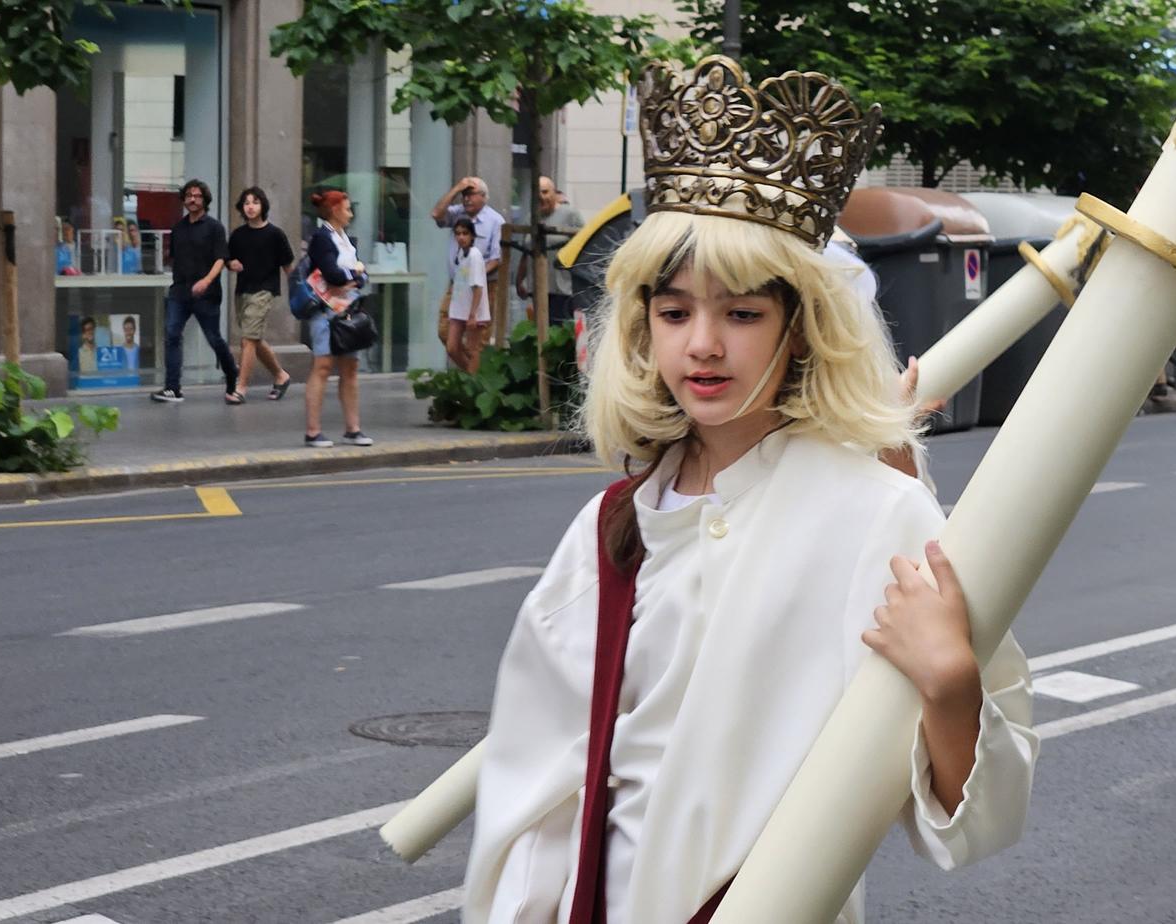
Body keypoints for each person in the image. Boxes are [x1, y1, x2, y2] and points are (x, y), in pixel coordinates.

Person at [462, 54, 1035, 924]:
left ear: (799, 330)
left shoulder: (875, 511)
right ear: (642, 326)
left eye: (740, 313)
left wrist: (951, 683)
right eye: (675, 311)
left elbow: (971, 821)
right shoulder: (612, 525)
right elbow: (538, 793)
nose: (702, 345)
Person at [153, 179, 241, 404]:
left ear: (205, 200)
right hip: (179, 292)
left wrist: (206, 281)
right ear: (184, 199)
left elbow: (221, 258)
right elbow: (175, 258)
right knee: (172, 335)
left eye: (197, 196)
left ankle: (232, 375)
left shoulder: (214, 227)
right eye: (189, 195)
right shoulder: (178, 228)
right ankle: (173, 388)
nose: (192, 199)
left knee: (214, 339)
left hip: (207, 294)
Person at [303, 190, 371, 448]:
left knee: (350, 368)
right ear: (333, 210)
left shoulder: (345, 239)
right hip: (326, 310)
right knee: (322, 367)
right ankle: (313, 430)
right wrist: (356, 274)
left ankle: (353, 428)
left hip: (347, 307)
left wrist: (355, 276)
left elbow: (361, 275)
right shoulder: (322, 238)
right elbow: (333, 274)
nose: (350, 213)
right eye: (346, 208)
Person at [226, 186, 296, 402]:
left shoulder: (275, 234)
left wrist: (296, 291)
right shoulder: (238, 235)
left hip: (265, 290)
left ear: (263, 205)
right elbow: (228, 258)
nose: (250, 206)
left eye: (255, 202)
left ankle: (241, 387)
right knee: (254, 339)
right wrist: (231, 263)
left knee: (248, 339)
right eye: (246, 203)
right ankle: (280, 375)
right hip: (243, 290)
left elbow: (288, 265)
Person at [515, 176, 589, 324]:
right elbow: (526, 252)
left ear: (554, 193)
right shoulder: (531, 218)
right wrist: (519, 280)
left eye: (545, 192)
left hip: (562, 289)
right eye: (537, 194)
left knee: (558, 330)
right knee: (538, 329)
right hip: (536, 288)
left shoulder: (570, 215)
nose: (541, 197)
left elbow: (585, 244)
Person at [431, 175, 504, 281]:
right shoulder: (457, 212)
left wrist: (474, 276)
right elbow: (436, 214)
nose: (466, 199)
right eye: (464, 194)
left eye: (471, 195)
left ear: (483, 196)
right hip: (456, 283)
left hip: (483, 284)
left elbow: (496, 259)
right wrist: (456, 189)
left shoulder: (495, 221)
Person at [444, 217, 491, 373]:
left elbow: (478, 286)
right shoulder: (461, 255)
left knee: (473, 349)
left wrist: (473, 314)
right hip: (458, 310)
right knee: (451, 347)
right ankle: (470, 376)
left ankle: (473, 381)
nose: (461, 237)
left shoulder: (475, 256)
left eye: (465, 233)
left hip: (473, 311)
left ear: (472, 236)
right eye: (458, 234)